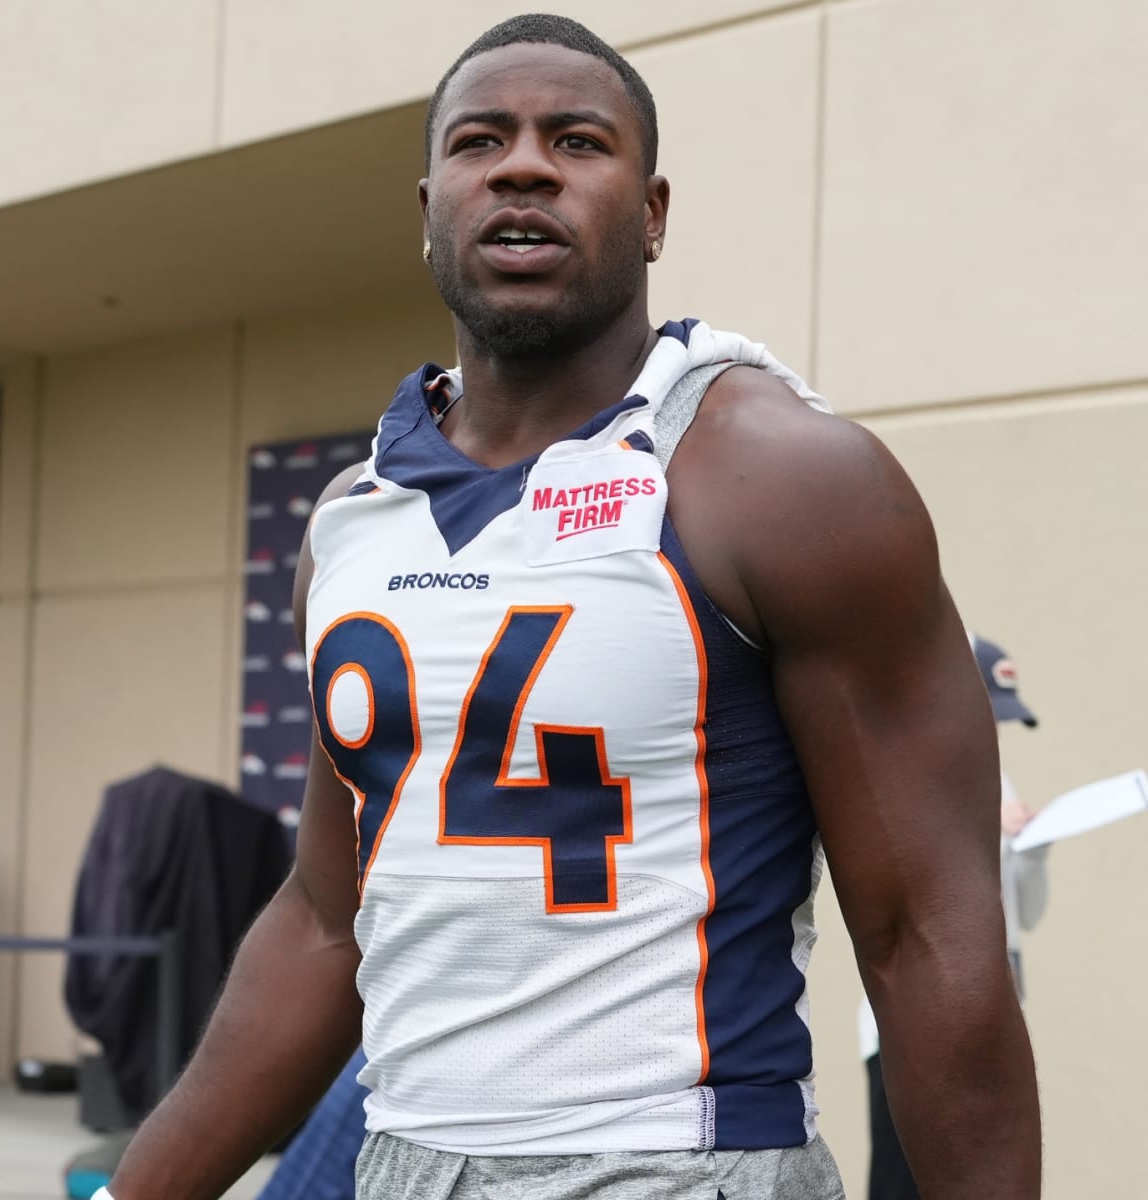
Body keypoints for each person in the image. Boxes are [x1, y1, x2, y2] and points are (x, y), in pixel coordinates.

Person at [102, 14, 1040, 1200]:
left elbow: (925, 939)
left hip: (677, 1160)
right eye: (481, 139)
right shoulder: (355, 516)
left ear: (651, 213)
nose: (525, 165)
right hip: (402, 1159)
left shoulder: (781, 479)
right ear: (430, 206)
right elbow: (326, 921)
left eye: (576, 141)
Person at [860, 633, 1049, 1200]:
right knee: (903, 1180)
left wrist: (1035, 852)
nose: (991, 734)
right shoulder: (905, 776)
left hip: (992, 1009)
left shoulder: (999, 782)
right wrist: (987, 825)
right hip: (916, 1024)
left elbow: (1027, 915)